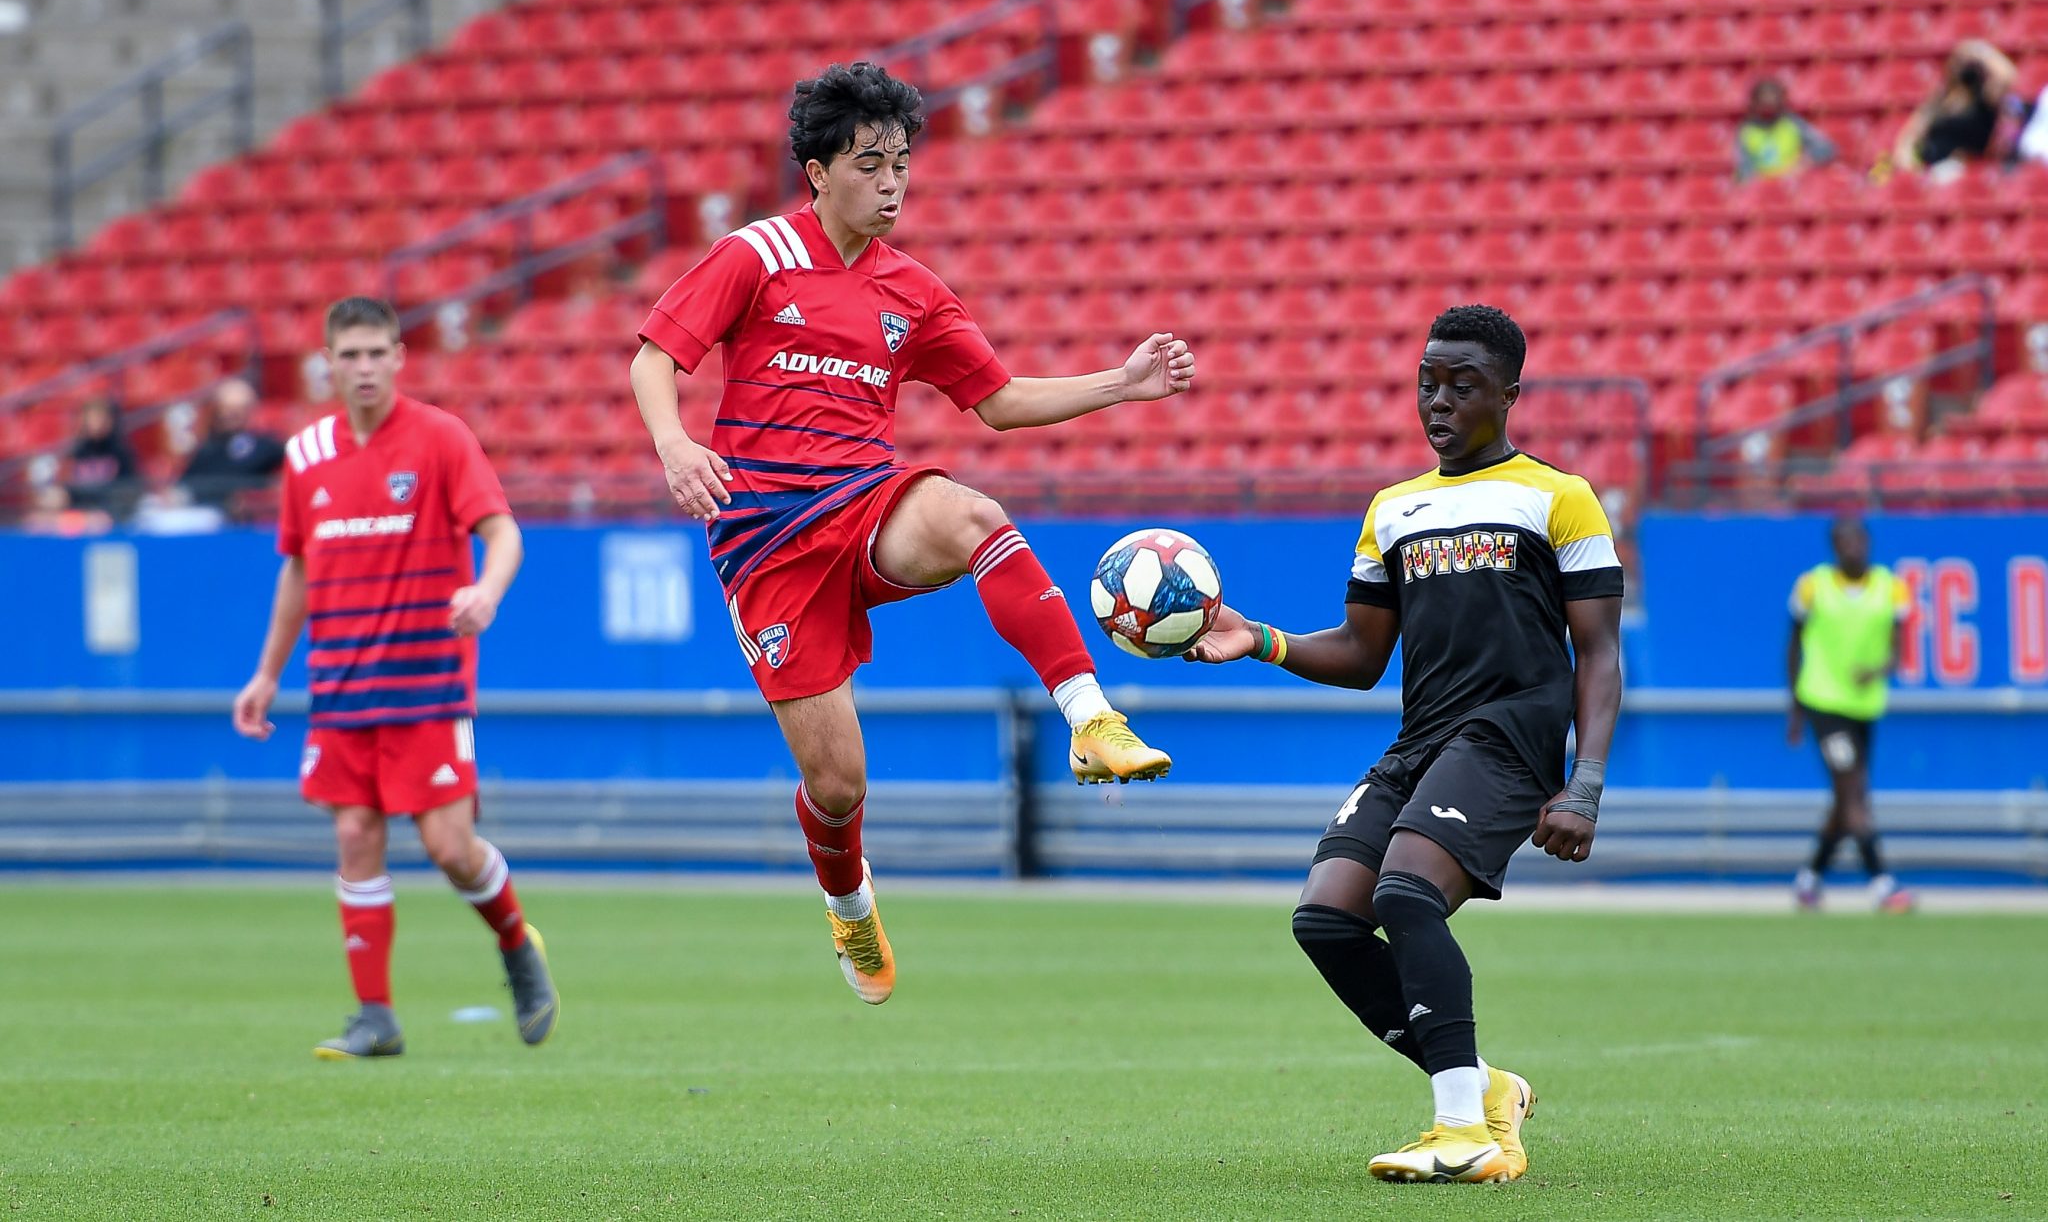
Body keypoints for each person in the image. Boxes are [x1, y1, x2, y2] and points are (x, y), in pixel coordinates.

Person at [628, 62, 1195, 1006]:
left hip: (865, 501)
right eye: (870, 164)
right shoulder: (754, 255)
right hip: (766, 545)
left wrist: (1120, 383)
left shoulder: (914, 291)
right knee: (841, 784)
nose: (892, 183)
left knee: (977, 514)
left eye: (901, 163)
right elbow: (656, 358)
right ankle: (848, 899)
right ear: (817, 171)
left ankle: (1090, 717)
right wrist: (676, 444)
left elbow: (1000, 401)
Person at [1181, 305, 1624, 1185]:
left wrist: (1585, 783)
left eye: (1464, 385)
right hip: (1422, 739)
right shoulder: (1393, 508)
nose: (1440, 401)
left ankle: (1463, 1132)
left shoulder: (1560, 497)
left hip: (1508, 737)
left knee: (1406, 891)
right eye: (1429, 382)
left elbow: (1601, 651)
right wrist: (1259, 637)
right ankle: (1485, 1088)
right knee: (1327, 918)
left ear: (1510, 395)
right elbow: (1360, 653)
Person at [231, 296, 558, 1059]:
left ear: (400, 356)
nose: (366, 367)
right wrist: (265, 673)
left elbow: (502, 530)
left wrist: (487, 590)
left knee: (449, 845)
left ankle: (516, 942)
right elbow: (298, 571)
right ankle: (374, 1014)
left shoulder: (441, 438)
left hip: (429, 683)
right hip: (343, 683)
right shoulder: (306, 454)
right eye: (351, 355)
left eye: (378, 352)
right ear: (329, 364)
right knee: (354, 833)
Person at [1786, 514, 1914, 914]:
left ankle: (1809, 879)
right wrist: (1796, 708)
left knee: (1847, 799)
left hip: (1865, 707)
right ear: (1834, 546)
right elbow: (1793, 647)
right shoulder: (1812, 587)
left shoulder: (1891, 589)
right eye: (1845, 540)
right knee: (1853, 788)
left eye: (1859, 539)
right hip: (1823, 704)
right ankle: (1881, 883)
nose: (1853, 546)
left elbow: (1899, 652)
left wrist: (1877, 669)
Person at [1890, 40, 2021, 176]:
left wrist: (1979, 51)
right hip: (1930, 169)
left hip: (1965, 170)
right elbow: (1910, 137)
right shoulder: (1939, 100)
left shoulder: (1984, 100)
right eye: (1957, 60)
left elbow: (2008, 76)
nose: (1960, 66)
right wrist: (1912, 167)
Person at [181, 378, 286, 512]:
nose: (228, 415)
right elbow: (186, 484)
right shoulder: (205, 448)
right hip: (200, 509)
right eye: (224, 408)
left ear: (248, 411)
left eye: (236, 410)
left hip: (238, 516)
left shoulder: (264, 446)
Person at [1734, 78, 1837, 182]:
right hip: (1762, 189)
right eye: (1764, 102)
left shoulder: (1793, 124)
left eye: (1773, 101)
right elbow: (1744, 170)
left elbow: (1827, 148)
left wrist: (1805, 163)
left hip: (1794, 186)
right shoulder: (1746, 132)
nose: (1769, 106)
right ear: (1755, 103)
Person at [67, 396, 138, 519]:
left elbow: (128, 489)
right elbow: (71, 488)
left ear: (109, 421)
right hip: (82, 512)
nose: (96, 423)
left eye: (99, 417)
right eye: (91, 418)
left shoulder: (121, 452)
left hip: (112, 514)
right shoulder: (77, 452)